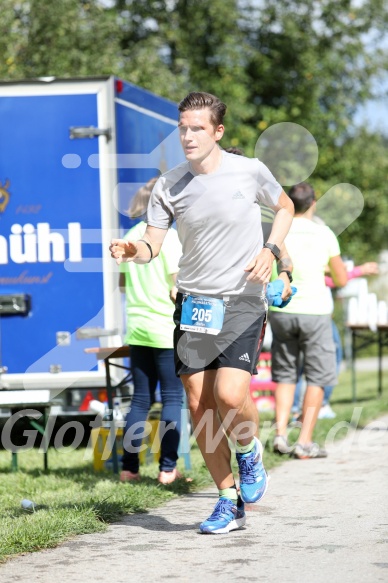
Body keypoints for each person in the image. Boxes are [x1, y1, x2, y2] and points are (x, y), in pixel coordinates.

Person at [110, 91, 294, 534]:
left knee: (230, 396)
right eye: (183, 128)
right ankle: (228, 500)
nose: (188, 136)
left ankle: (249, 454)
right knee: (198, 404)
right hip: (195, 304)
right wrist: (133, 248)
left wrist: (272, 252)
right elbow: (152, 246)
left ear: (217, 131)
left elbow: (285, 208)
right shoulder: (169, 185)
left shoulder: (249, 171)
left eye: (197, 128)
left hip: (243, 299)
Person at [270, 182, 348, 458]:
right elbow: (341, 279)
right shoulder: (324, 233)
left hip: (281, 310)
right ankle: (304, 442)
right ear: (313, 203)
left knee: (286, 374)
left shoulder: (280, 229)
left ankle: (280, 434)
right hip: (315, 312)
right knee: (316, 376)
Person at [119, 177, 185, 485]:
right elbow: (177, 287)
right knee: (172, 397)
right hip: (165, 328)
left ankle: (128, 468)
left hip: (137, 328)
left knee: (140, 400)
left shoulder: (130, 236)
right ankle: (167, 468)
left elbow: (123, 285)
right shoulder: (168, 239)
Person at [292, 261, 379, 420]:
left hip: (290, 314)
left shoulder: (287, 248)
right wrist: (357, 270)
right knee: (330, 358)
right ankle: (320, 405)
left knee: (296, 364)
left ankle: (295, 409)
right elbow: (334, 279)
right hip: (317, 316)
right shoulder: (313, 248)